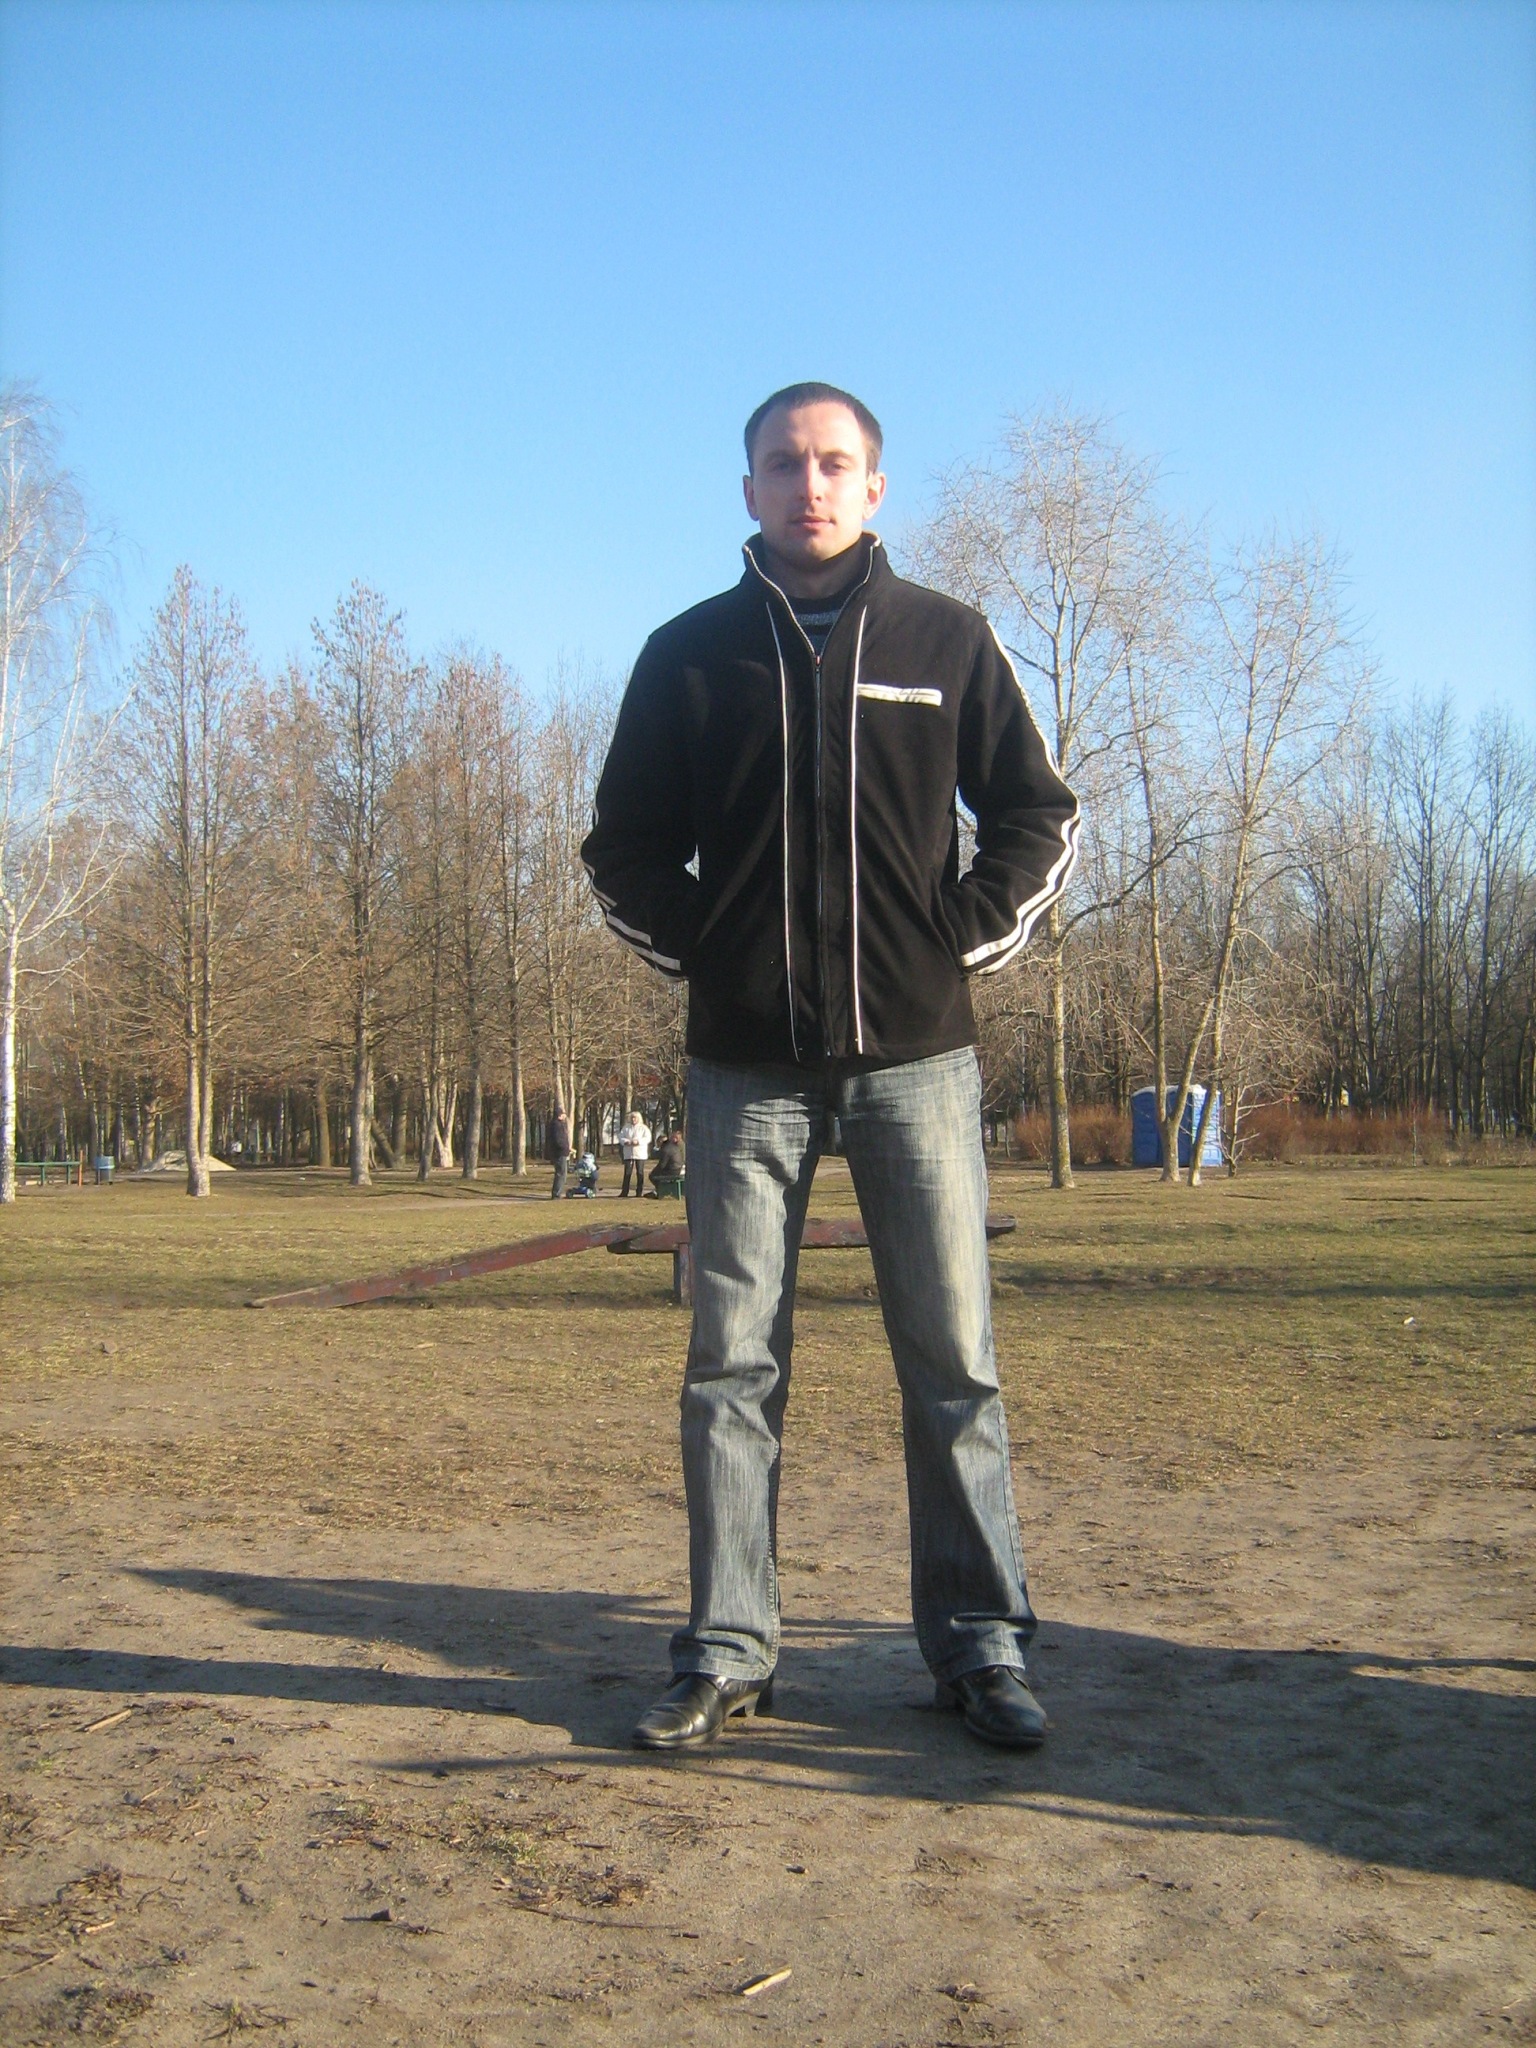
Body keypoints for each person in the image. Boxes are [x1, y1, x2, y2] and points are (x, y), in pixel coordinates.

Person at [581, 382, 1079, 1754]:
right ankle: (727, 1651)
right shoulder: (687, 655)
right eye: (784, 462)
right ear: (747, 486)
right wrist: (717, 952)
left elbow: (1038, 813)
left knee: (954, 1362)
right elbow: (621, 849)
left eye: (834, 462)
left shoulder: (946, 639)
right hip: (743, 1071)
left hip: (919, 1059)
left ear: (875, 486)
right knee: (730, 1366)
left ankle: (981, 1648)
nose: (810, 483)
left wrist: (953, 940)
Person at [619, 1108, 652, 1197]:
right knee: (627, 1172)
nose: (633, 1119)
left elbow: (647, 1138)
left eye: (635, 1118)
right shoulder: (626, 1128)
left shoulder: (643, 1128)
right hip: (629, 1153)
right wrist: (626, 1141)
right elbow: (620, 1137)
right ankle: (624, 1191)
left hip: (640, 1153)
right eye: (632, 1118)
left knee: (640, 1172)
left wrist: (638, 1142)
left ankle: (639, 1192)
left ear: (638, 1118)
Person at [648, 1126, 685, 1195]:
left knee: (653, 1176)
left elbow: (662, 1164)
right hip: (678, 1168)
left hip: (673, 1170)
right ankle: (661, 1190)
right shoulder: (673, 1146)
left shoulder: (666, 1149)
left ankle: (661, 1191)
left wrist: (654, 1171)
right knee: (657, 1174)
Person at [548, 1106, 571, 1200]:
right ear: (559, 1115)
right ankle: (556, 1193)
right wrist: (565, 1148)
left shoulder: (559, 1124)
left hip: (561, 1152)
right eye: (563, 1114)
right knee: (561, 1173)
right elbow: (558, 1140)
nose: (564, 1116)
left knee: (562, 1173)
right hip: (559, 1153)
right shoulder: (556, 1125)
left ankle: (558, 1192)